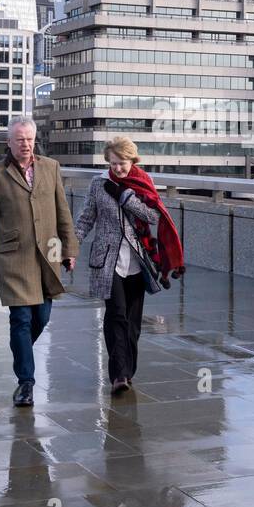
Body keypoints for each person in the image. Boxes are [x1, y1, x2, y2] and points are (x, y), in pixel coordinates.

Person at [0, 117, 77, 408]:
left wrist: (70, 249)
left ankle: (21, 353)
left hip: (49, 254)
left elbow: (62, 210)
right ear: (9, 142)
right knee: (21, 318)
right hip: (14, 257)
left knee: (42, 316)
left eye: (29, 139)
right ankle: (26, 383)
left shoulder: (51, 167)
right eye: (19, 139)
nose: (26, 144)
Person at [73, 137, 184, 393]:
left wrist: (125, 197)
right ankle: (118, 376)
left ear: (132, 161)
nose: (118, 169)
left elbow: (153, 216)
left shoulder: (143, 182)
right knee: (117, 315)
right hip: (107, 261)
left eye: (122, 163)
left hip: (137, 261)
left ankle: (128, 370)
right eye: (113, 164)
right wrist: (71, 246)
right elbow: (86, 218)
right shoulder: (99, 183)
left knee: (133, 323)